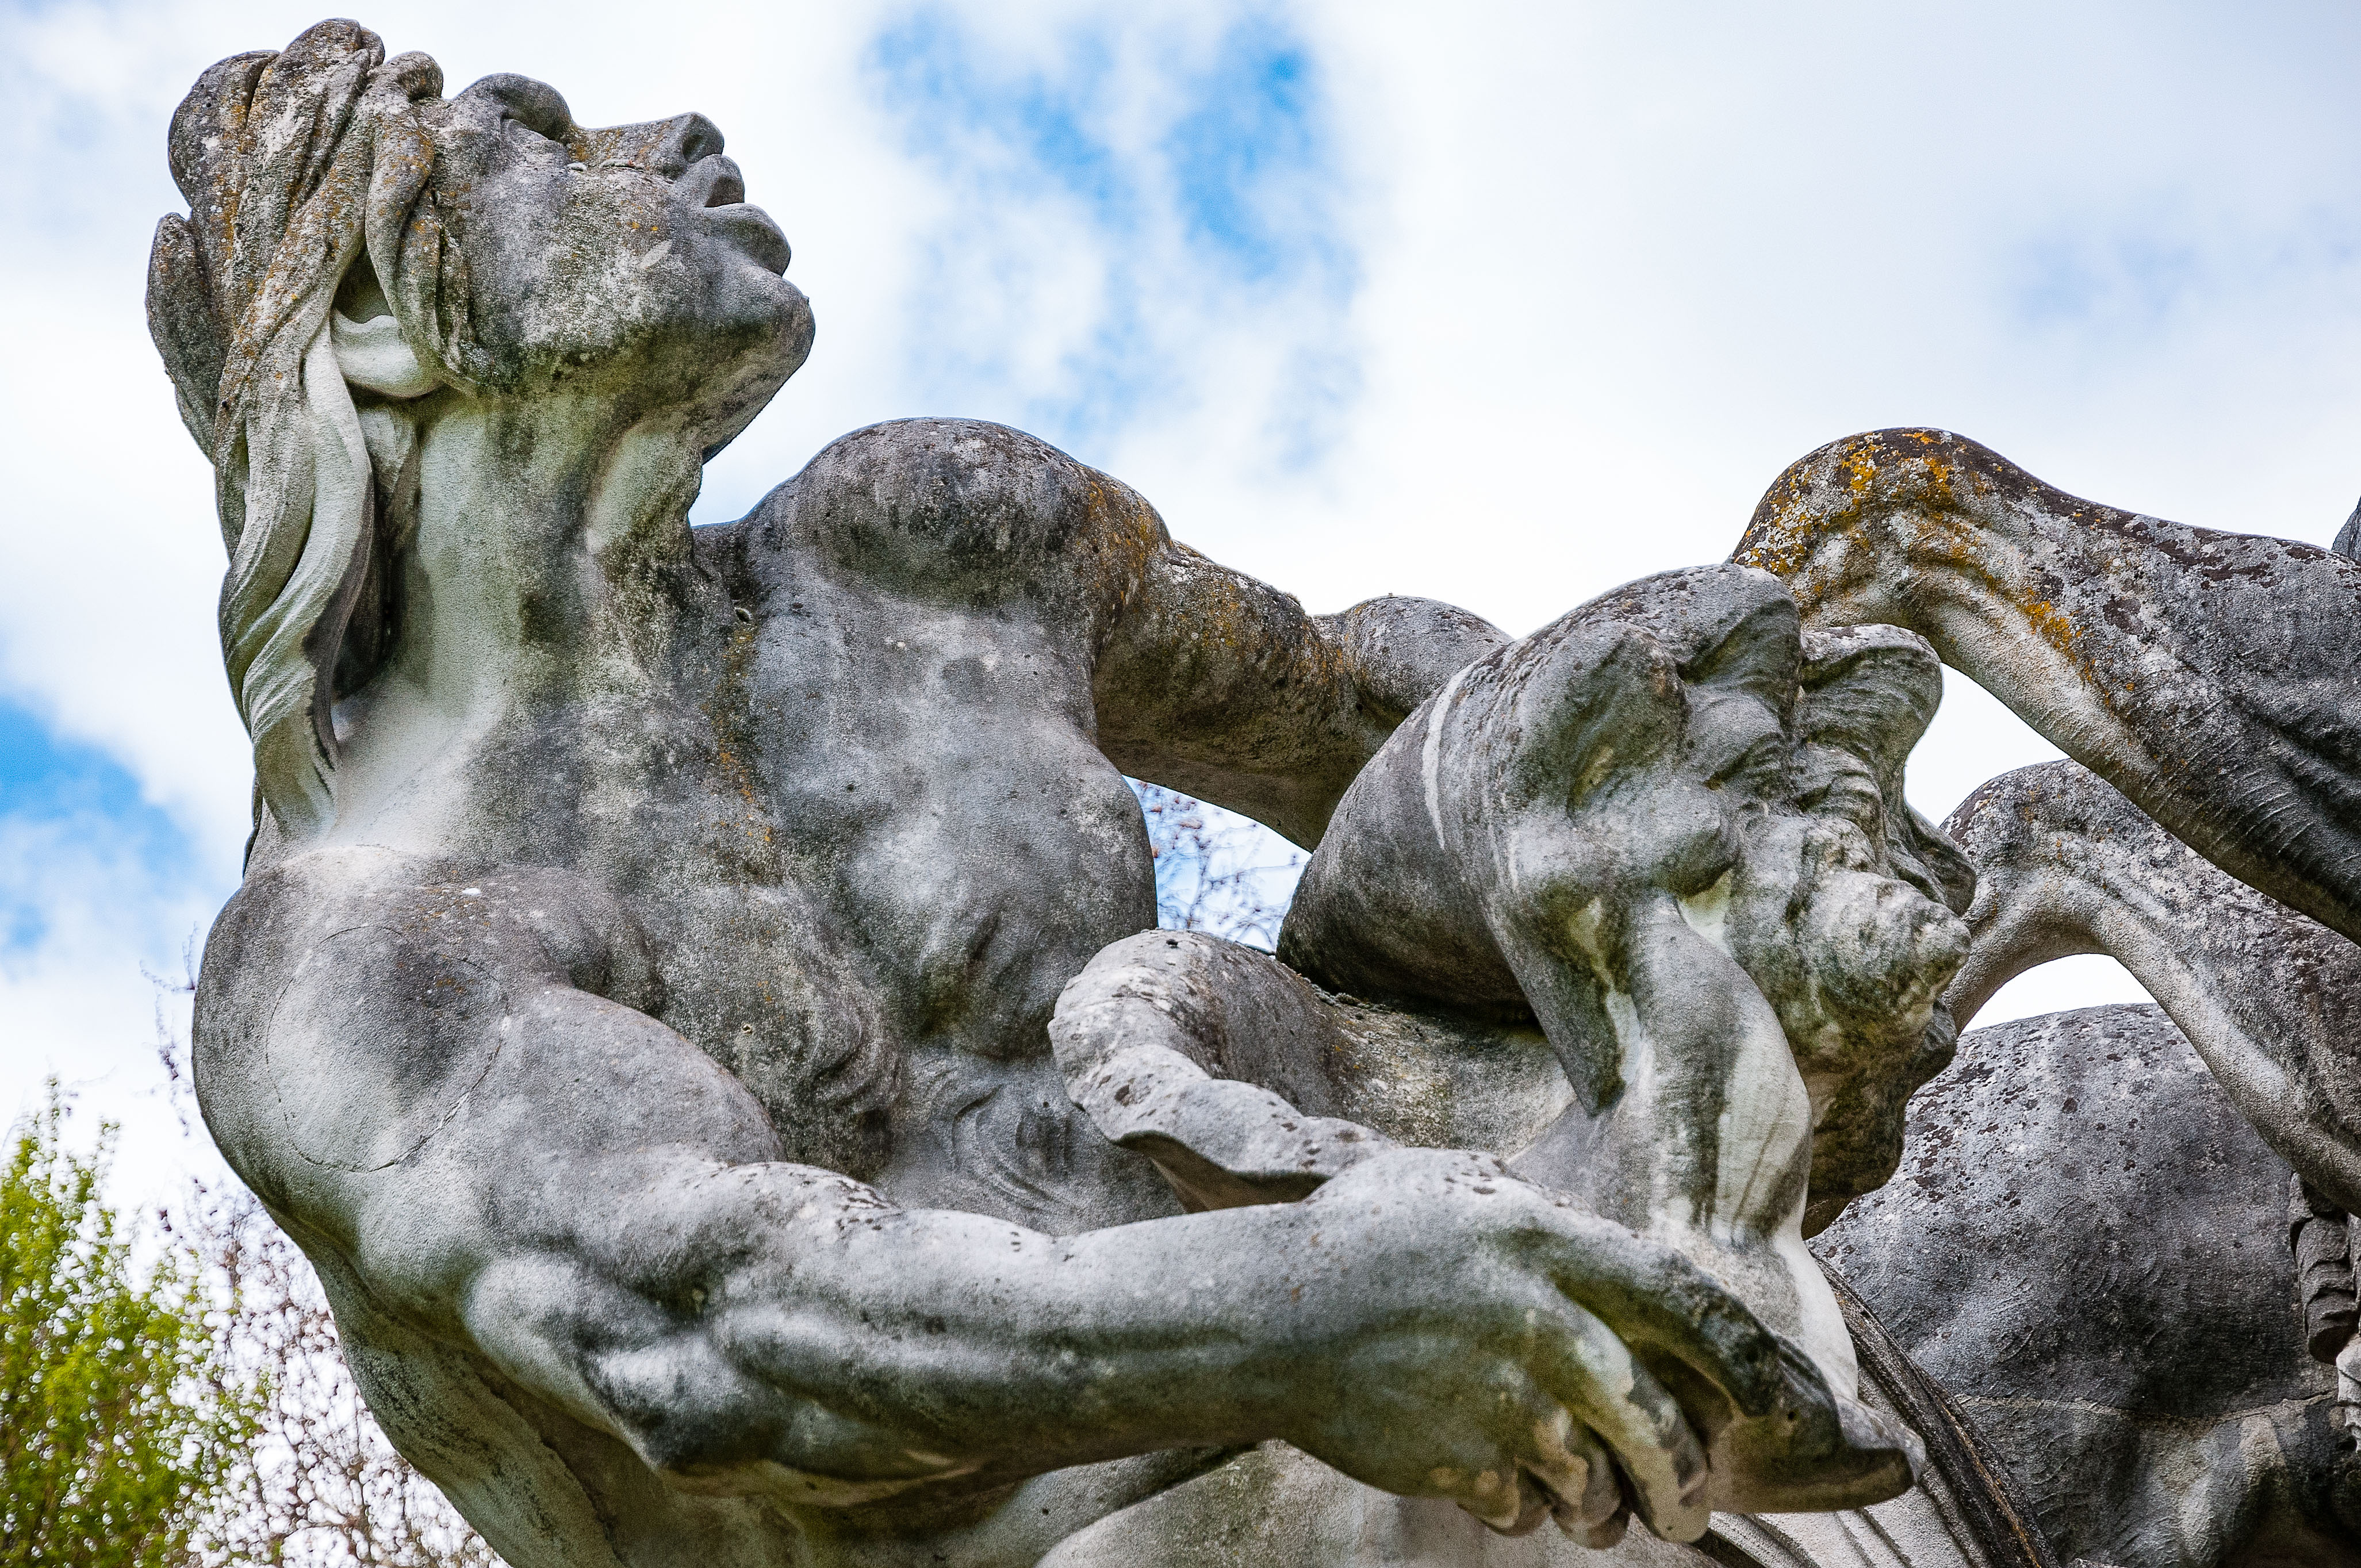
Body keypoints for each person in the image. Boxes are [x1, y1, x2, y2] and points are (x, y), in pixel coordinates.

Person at [155, 22, 1926, 1567]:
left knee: (2069, 1168)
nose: (673, 137)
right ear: (376, 318)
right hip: (1119, 1501)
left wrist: (1706, 801)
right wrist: (1309, 1315)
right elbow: (715, 1323)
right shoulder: (352, 948)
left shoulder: (930, 538)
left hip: (1476, 1332)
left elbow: (1373, 709)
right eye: (537, 143)